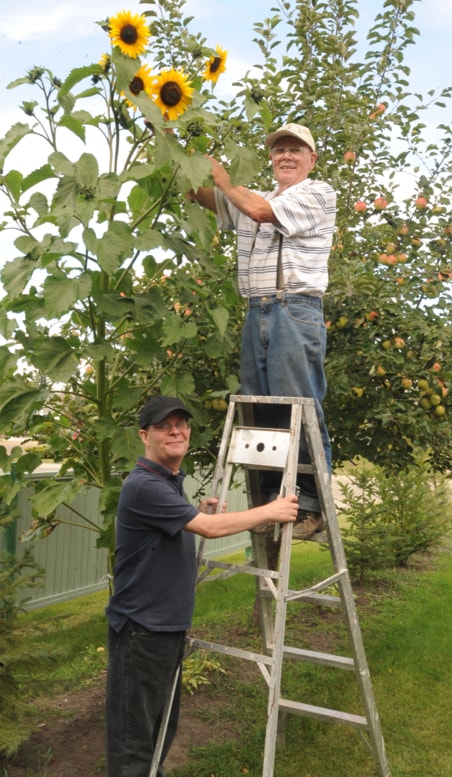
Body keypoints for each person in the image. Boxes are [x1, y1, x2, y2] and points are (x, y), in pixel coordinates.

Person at [105, 394, 298, 777]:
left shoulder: (167, 481)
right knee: (134, 745)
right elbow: (208, 529)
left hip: (163, 628)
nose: (176, 431)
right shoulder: (144, 485)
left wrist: (196, 512)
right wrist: (272, 510)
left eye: (181, 424)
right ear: (145, 436)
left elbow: (182, 528)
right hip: (142, 630)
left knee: (159, 734)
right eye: (164, 426)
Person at [188, 123, 337, 539]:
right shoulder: (254, 195)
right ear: (271, 158)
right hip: (257, 309)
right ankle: (272, 499)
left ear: (312, 159)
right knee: (262, 408)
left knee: (297, 403)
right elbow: (202, 195)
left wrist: (223, 179)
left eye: (295, 150)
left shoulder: (317, 193)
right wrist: (178, 149)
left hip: (295, 308)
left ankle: (312, 505)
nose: (285, 156)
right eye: (279, 150)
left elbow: (257, 211)